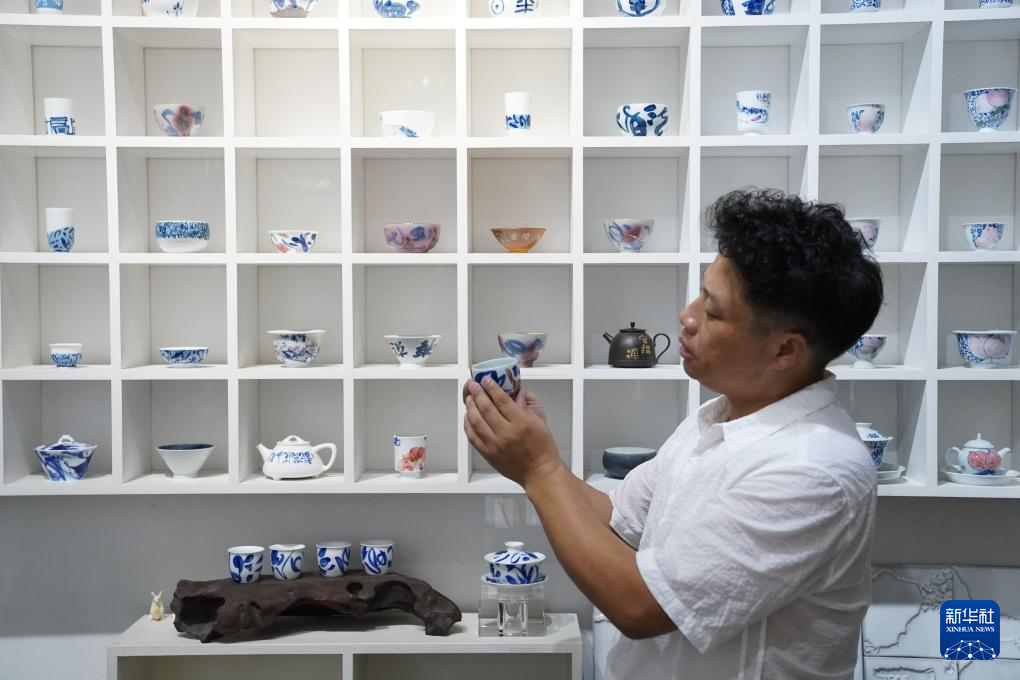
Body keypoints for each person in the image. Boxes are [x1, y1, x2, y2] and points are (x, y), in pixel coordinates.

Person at [463, 189, 884, 679]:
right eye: (701, 294)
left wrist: (538, 470)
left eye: (713, 310)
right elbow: (618, 517)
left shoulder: (813, 470)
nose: (687, 316)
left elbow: (641, 606)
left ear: (785, 350)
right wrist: (537, 451)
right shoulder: (720, 416)